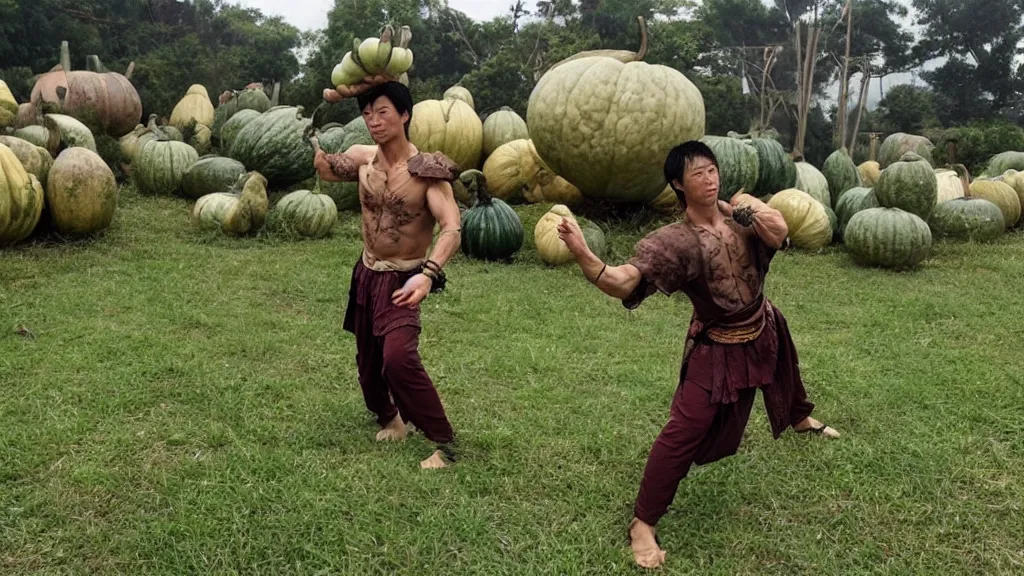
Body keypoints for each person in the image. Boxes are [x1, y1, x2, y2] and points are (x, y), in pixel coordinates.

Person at [556, 140, 841, 568]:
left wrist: (746, 205)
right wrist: (582, 251)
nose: (710, 180)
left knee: (783, 363)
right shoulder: (675, 242)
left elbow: (781, 232)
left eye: (712, 171)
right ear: (678, 184)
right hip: (718, 346)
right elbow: (620, 283)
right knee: (682, 433)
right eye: (698, 174)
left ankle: (798, 416)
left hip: (761, 323)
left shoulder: (743, 217)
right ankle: (643, 522)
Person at [313, 76, 462, 470]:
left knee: (398, 358)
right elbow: (327, 170)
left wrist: (428, 275)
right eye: (367, 113)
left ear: (404, 115)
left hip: (404, 278)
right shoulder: (363, 157)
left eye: (382, 112)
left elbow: (452, 227)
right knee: (368, 361)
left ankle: (444, 443)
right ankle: (391, 418)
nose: (374, 121)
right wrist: (328, 107)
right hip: (366, 272)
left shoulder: (426, 171)